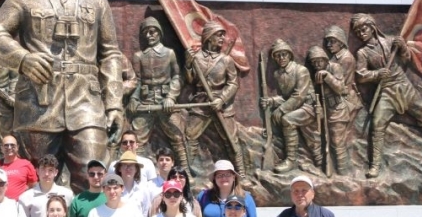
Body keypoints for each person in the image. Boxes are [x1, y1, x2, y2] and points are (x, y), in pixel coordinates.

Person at [0, 0, 125, 194]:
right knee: (36, 184)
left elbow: (109, 54)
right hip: (38, 104)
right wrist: (22, 59)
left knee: (93, 176)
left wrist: (115, 105)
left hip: (86, 104)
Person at [351, 13, 422, 177]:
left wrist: (403, 47)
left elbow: (406, 59)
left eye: (364, 29)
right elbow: (361, 75)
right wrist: (376, 74)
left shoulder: (391, 41)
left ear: (372, 27)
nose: (361, 33)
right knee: (377, 124)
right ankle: (375, 165)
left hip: (405, 87)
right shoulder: (362, 53)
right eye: (357, 32)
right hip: (386, 91)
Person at [183, 20, 250, 183]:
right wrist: (188, 65)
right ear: (209, 37)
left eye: (223, 36)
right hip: (201, 103)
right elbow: (190, 80)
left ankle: (241, 174)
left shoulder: (226, 60)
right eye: (218, 35)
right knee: (190, 136)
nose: (222, 39)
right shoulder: (196, 58)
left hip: (222, 105)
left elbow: (233, 83)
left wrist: (221, 99)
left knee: (232, 140)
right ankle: (187, 173)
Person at [126, 17, 191, 168]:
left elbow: (177, 76)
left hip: (165, 102)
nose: (149, 35)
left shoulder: (169, 53)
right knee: (137, 139)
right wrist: (134, 99)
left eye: (153, 31)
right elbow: (137, 80)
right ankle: (137, 171)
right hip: (145, 102)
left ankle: (185, 172)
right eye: (146, 33)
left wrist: (171, 97)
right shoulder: (139, 56)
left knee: (177, 136)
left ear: (159, 33)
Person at [259, 39, 323, 175]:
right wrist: (271, 101)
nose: (281, 58)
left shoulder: (301, 71)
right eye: (278, 55)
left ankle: (291, 160)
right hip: (296, 107)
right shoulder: (278, 74)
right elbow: (286, 97)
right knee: (312, 143)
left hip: (309, 107)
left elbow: (299, 95)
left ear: (290, 55)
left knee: (288, 120)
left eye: (284, 54)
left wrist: (282, 109)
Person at [306, 46, 360, 175]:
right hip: (323, 109)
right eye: (314, 62)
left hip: (337, 108)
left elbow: (340, 88)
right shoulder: (313, 73)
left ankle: (343, 172)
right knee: (323, 139)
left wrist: (327, 76)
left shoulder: (334, 67)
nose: (317, 64)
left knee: (337, 141)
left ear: (325, 59)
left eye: (320, 61)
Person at [0, 134, 38, 199]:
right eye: (6, 145)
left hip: (19, 205)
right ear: (1, 148)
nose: (9, 147)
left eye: (12, 145)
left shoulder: (26, 164)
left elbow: (33, 185)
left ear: (17, 147)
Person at [113, 150, 154, 217]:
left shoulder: (143, 190)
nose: (128, 168)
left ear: (136, 169)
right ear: (119, 168)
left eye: (131, 165)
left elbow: (145, 213)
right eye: (125, 165)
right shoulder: (113, 190)